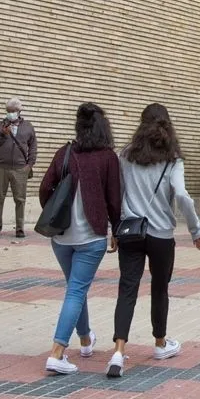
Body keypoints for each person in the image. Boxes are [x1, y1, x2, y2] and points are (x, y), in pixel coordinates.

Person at [107, 103, 200, 378]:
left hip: (130, 232)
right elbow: (182, 195)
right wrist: (196, 229)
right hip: (162, 235)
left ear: (141, 125)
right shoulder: (173, 158)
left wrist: (112, 229)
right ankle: (161, 344)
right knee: (160, 288)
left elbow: (117, 194)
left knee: (127, 288)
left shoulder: (125, 155)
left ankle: (118, 351)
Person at [39, 103, 122, 375]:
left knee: (76, 287)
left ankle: (85, 340)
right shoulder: (108, 157)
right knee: (76, 289)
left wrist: (56, 217)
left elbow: (44, 189)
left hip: (61, 237)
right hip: (90, 238)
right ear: (103, 127)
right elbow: (114, 200)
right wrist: (117, 230)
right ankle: (57, 352)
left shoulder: (64, 152)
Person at [0, 97, 37, 238]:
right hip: (1, 168)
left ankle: (20, 228)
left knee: (20, 200)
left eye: (13, 111)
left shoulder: (28, 127)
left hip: (20, 169)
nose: (10, 113)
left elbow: (33, 146)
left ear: (19, 111)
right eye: (8, 111)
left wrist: (30, 165)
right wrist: (3, 135)